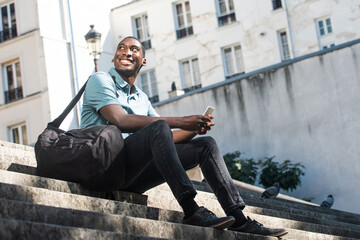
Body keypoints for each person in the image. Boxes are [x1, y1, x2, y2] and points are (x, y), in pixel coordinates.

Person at [80, 36, 288, 237]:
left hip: (131, 176)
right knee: (159, 126)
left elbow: (164, 139)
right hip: (104, 167)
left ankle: (239, 219)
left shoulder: (141, 98)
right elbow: (121, 120)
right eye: (121, 48)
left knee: (205, 145)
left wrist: (194, 128)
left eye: (134, 49)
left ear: (143, 61)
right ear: (114, 57)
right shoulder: (100, 79)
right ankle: (191, 209)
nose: (126, 52)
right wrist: (181, 120)